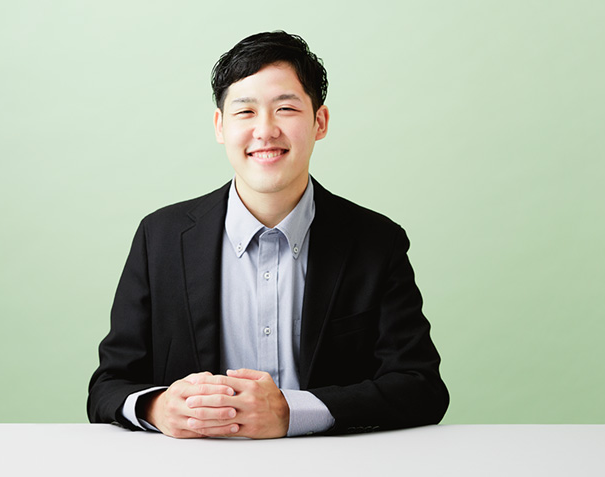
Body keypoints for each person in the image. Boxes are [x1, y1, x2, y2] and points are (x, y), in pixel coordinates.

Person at [87, 31, 448, 438]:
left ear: (320, 122)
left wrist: (292, 412)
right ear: (220, 126)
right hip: (196, 463)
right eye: (245, 112)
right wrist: (158, 408)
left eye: (286, 109)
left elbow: (421, 387)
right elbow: (108, 385)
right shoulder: (161, 238)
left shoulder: (376, 242)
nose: (265, 130)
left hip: (331, 463)